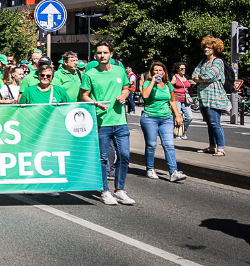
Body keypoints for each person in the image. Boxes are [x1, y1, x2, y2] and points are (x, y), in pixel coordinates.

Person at [80, 40, 135, 206]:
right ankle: (104, 191)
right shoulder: (90, 74)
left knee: (124, 156)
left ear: (111, 54)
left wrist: (123, 96)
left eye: (105, 52)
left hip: (120, 120)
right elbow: (84, 95)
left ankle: (119, 190)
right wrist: (95, 103)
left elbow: (126, 87)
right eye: (99, 53)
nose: (102, 55)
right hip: (101, 121)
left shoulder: (119, 70)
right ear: (95, 55)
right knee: (103, 159)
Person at [139, 61, 187, 182]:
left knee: (169, 145)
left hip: (166, 118)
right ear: (152, 72)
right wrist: (153, 82)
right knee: (151, 145)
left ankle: (173, 172)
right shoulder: (147, 83)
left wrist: (177, 115)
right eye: (155, 70)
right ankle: (150, 168)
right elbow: (144, 95)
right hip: (150, 118)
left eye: (160, 70)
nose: (158, 72)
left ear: (164, 72)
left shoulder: (167, 84)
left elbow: (172, 100)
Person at [192, 36, 228, 157]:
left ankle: (221, 148)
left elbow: (210, 76)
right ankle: (212, 147)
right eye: (205, 47)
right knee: (208, 123)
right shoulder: (202, 62)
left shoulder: (218, 61)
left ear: (215, 49)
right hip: (203, 97)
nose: (206, 49)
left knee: (214, 123)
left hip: (214, 96)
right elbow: (193, 75)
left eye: (209, 48)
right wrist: (201, 78)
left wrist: (200, 78)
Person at [171, 62, 193, 138]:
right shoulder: (174, 77)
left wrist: (193, 84)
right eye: (181, 69)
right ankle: (177, 133)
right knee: (178, 116)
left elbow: (189, 87)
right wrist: (172, 83)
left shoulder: (186, 77)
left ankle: (183, 132)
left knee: (189, 117)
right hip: (176, 99)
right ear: (177, 69)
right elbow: (169, 86)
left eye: (184, 68)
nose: (183, 70)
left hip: (185, 99)